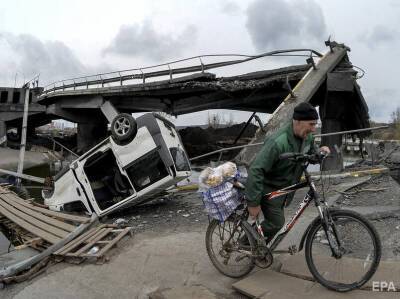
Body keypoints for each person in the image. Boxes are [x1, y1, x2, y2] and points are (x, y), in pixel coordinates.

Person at [245, 102, 330, 242]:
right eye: (311, 124)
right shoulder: (277, 142)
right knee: (276, 223)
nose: (314, 129)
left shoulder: (306, 137)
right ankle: (245, 243)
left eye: (315, 124)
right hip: (269, 189)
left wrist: (320, 152)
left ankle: (261, 249)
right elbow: (256, 170)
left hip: (284, 189)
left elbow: (310, 152)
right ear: (297, 121)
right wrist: (253, 203)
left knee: (275, 224)